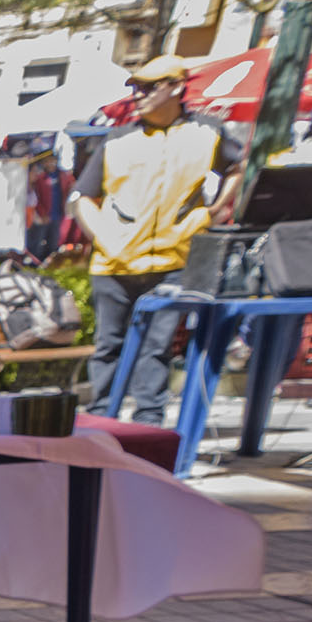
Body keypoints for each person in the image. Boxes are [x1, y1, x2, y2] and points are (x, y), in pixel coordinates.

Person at [72, 55, 234, 417]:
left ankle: (148, 422)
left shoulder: (208, 132)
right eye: (135, 88)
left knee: (157, 348)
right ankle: (102, 419)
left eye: (148, 87)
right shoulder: (118, 138)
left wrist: (213, 211)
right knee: (108, 346)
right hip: (114, 264)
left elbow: (238, 167)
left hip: (172, 262)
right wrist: (102, 236)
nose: (138, 95)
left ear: (176, 87)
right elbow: (83, 195)